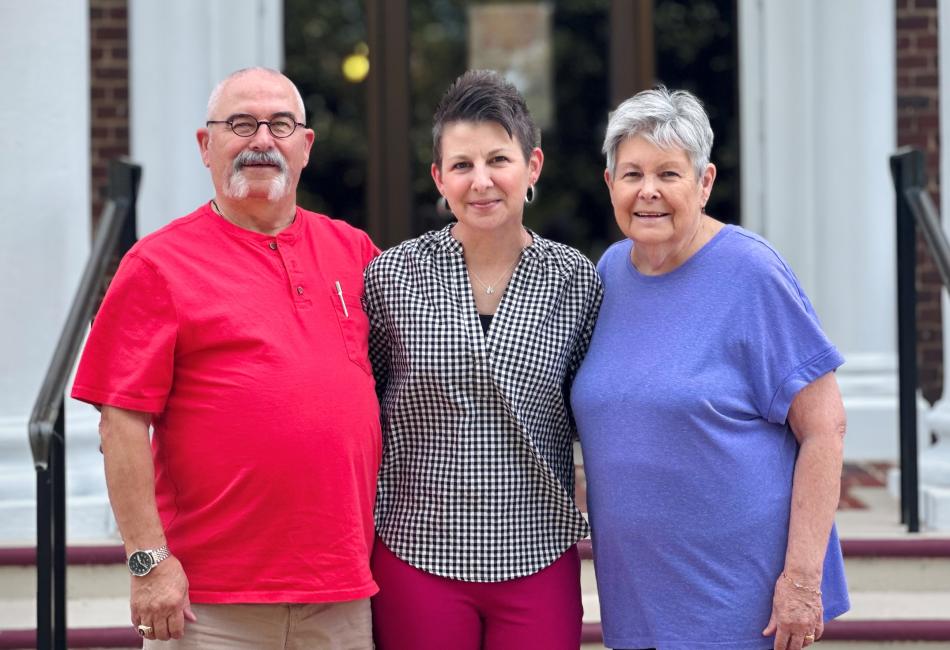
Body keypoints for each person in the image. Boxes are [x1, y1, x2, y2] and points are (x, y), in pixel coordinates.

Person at [71, 67, 381, 649]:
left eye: (281, 124)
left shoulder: (355, 252)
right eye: (241, 123)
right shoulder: (157, 265)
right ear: (205, 145)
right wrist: (147, 562)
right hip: (207, 607)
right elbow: (121, 422)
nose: (262, 140)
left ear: (305, 146)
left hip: (339, 595)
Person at [570, 86, 850, 650]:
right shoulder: (609, 272)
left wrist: (801, 581)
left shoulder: (751, 274)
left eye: (669, 174)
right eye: (632, 174)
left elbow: (825, 427)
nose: (648, 191)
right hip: (639, 598)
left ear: (705, 182)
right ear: (610, 185)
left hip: (738, 600)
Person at [364, 69, 603, 650]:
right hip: (415, 550)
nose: (481, 181)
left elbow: (598, 411)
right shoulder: (391, 277)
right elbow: (361, 405)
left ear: (533, 167)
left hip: (537, 552)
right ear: (439, 178)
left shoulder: (576, 281)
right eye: (462, 165)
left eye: (498, 160)